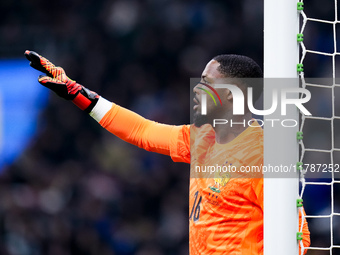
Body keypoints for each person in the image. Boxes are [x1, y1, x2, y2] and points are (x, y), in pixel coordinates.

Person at [24, 50, 310, 255]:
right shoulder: (201, 137)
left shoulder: (263, 156)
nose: (197, 89)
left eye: (207, 82)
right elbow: (142, 131)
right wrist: (77, 92)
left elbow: (299, 237)